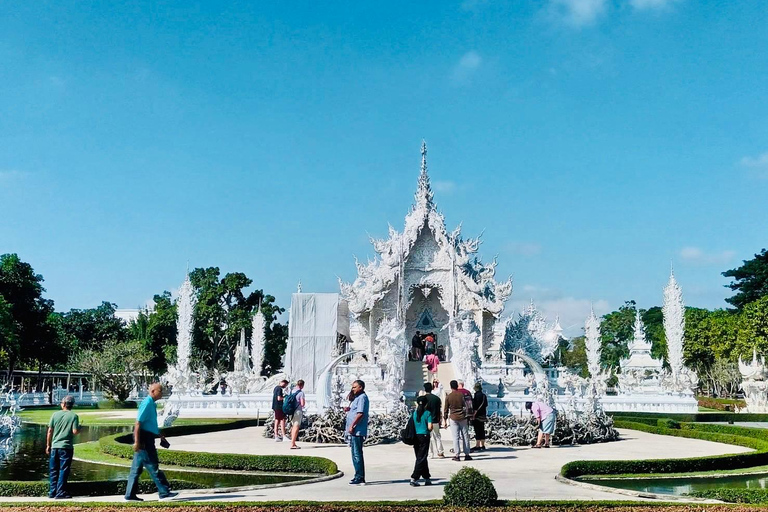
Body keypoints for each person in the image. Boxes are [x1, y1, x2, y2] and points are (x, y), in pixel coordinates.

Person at [125, 383, 178, 501]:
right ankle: (164, 493)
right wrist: (137, 442)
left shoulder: (151, 404)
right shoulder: (147, 403)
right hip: (144, 439)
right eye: (160, 390)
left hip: (147, 436)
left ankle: (130, 495)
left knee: (136, 469)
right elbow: (138, 423)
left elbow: (150, 423)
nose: (162, 393)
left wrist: (159, 434)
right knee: (153, 465)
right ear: (153, 391)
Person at [46, 395, 81, 499]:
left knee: (53, 469)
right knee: (63, 470)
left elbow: (49, 431)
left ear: (64, 404)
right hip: (66, 447)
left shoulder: (55, 415)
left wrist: (48, 445)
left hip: (54, 446)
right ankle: (60, 492)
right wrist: (80, 428)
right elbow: (75, 432)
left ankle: (52, 492)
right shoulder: (74, 416)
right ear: (72, 405)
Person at [346, 379, 370, 485]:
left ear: (360, 387)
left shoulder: (362, 398)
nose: (353, 389)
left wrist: (352, 425)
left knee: (357, 454)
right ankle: (357, 475)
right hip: (354, 431)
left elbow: (360, 414)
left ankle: (360, 477)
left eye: (355, 387)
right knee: (354, 454)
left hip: (357, 430)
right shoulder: (357, 397)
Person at [443, 380, 471, 461]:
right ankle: (467, 454)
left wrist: (445, 420)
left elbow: (445, 409)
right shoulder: (461, 395)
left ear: (451, 386)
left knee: (456, 437)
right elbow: (466, 406)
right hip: (462, 417)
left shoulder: (449, 396)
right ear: (457, 386)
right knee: (465, 436)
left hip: (453, 417)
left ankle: (457, 455)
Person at [409, 395, 433, 486]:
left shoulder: (414, 413)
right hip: (424, 436)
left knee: (421, 457)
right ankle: (414, 477)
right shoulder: (428, 413)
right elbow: (430, 427)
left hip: (416, 436)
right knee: (421, 458)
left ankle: (427, 477)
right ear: (426, 404)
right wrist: (429, 430)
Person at [423, 382, 444, 459]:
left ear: (424, 389)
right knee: (437, 436)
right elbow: (439, 410)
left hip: (426, 421)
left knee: (428, 437)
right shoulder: (437, 399)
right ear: (432, 388)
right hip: (435, 420)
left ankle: (430, 454)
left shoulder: (423, 399)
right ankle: (440, 452)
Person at [469, 382, 488, 452]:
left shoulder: (476, 395)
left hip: (476, 416)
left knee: (477, 430)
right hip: (483, 415)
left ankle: (477, 445)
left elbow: (474, 406)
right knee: (482, 429)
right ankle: (483, 445)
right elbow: (486, 405)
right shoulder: (484, 396)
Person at [288, 380, 306, 449]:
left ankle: (292, 442)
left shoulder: (291, 391)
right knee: (296, 427)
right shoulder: (301, 393)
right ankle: (293, 443)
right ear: (302, 385)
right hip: (297, 411)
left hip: (291, 411)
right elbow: (302, 404)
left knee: (293, 426)